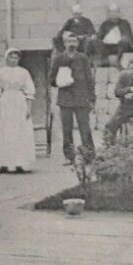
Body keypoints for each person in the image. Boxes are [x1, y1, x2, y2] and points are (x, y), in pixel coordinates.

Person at [50, 29, 96, 164]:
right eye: (69, 41)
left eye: (74, 41)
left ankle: (89, 156)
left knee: (85, 128)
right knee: (67, 129)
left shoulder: (82, 58)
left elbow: (89, 79)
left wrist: (92, 98)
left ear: (78, 43)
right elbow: (51, 79)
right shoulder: (59, 58)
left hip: (81, 98)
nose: (72, 43)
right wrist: (61, 80)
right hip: (65, 99)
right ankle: (69, 157)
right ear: (64, 43)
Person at [0, 48, 38, 174]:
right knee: (6, 132)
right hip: (5, 103)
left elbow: (29, 91)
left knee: (20, 132)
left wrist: (28, 108)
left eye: (16, 57)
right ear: (6, 58)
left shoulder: (24, 72)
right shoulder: (0, 73)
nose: (13, 59)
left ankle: (20, 164)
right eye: (11, 57)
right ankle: (4, 164)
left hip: (19, 103)